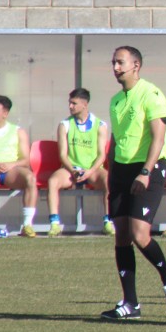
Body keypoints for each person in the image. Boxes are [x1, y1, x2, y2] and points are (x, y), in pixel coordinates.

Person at [99, 46, 166, 320]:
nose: (115, 67)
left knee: (140, 234)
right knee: (122, 237)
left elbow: (159, 137)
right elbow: (116, 140)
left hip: (147, 169)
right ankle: (130, 304)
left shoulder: (151, 94)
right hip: (121, 172)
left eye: (120, 62)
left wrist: (146, 171)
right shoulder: (115, 101)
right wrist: (111, 172)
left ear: (136, 65)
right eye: (113, 62)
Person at [44, 89, 112, 236]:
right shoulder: (64, 124)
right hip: (70, 170)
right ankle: (54, 224)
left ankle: (108, 222)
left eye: (74, 103)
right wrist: (73, 170)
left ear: (85, 104)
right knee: (53, 181)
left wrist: (90, 171)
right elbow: (62, 155)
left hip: (91, 170)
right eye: (69, 102)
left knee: (109, 180)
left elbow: (101, 155)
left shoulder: (100, 125)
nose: (70, 106)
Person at [0, 95, 38, 237]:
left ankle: (27, 225)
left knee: (30, 178)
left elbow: (26, 160)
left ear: (5, 113)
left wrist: (10, 165)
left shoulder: (18, 131)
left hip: (11, 172)